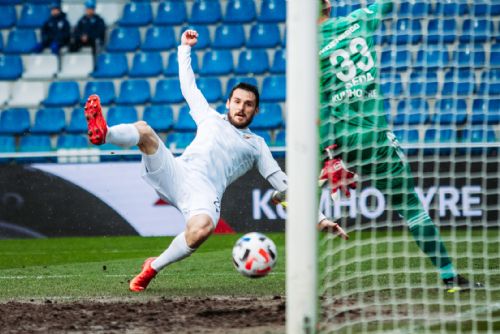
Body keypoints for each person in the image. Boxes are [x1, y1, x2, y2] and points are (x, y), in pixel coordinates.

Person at [84, 29, 348, 292]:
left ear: (256, 110)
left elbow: (281, 183)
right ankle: (104, 134)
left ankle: (152, 268)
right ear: (229, 103)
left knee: (202, 230)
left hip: (205, 194)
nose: (241, 108)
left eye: (248, 104)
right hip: (177, 171)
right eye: (237, 102)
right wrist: (184, 48)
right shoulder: (209, 117)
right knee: (144, 130)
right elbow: (189, 87)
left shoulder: (257, 145)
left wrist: (318, 218)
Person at [317, 0, 482, 290]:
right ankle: (449, 276)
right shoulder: (357, 20)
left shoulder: (305, 52)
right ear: (328, 4)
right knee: (412, 208)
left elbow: (318, 110)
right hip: (376, 137)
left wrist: (329, 156)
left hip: (341, 142)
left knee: (296, 193)